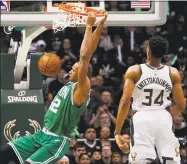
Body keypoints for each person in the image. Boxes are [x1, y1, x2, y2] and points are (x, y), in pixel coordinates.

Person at [0, 11, 108, 164]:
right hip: (41, 135)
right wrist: (101, 24)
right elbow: (85, 57)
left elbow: (85, 56)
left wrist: (89, 26)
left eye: (75, 68)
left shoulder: (81, 89)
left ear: (83, 73)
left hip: (56, 141)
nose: (70, 70)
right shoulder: (70, 85)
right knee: (5, 152)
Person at [114, 35, 186, 164]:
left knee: (141, 160)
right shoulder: (173, 73)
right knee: (170, 160)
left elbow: (125, 102)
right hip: (163, 117)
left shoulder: (134, 71)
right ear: (164, 53)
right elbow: (181, 104)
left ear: (148, 50)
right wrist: (167, 115)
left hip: (142, 118)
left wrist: (117, 132)